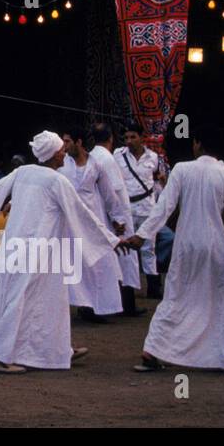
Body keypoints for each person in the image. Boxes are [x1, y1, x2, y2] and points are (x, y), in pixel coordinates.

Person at [0, 130, 125, 374]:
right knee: (16, 300)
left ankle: (55, 351)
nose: (64, 154)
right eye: (61, 151)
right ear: (54, 154)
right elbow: (81, 213)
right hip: (32, 250)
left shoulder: (24, 173)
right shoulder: (56, 181)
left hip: (33, 251)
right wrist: (113, 240)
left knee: (49, 300)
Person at [126, 128, 224, 374]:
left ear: (197, 144)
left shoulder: (182, 170)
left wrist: (141, 235)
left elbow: (163, 207)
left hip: (186, 245)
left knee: (175, 297)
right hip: (217, 246)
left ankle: (152, 351)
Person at [59, 131, 126, 322]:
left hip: (94, 221)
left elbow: (109, 194)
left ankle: (100, 307)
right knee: (76, 266)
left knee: (100, 264)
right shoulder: (62, 164)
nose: (64, 145)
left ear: (78, 142)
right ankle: (83, 306)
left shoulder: (96, 164)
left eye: (67, 141)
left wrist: (117, 218)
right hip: (72, 222)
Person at [89, 122, 142, 316]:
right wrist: (118, 219)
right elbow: (115, 191)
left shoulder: (92, 157)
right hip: (114, 215)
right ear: (111, 138)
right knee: (124, 258)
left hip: (101, 214)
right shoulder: (107, 159)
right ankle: (127, 305)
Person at [115, 123, 168, 298]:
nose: (129, 141)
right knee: (125, 248)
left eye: (133, 137)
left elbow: (159, 180)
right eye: (126, 138)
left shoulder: (154, 158)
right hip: (126, 208)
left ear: (141, 138)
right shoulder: (118, 155)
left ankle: (153, 287)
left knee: (148, 248)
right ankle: (126, 289)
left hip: (147, 207)